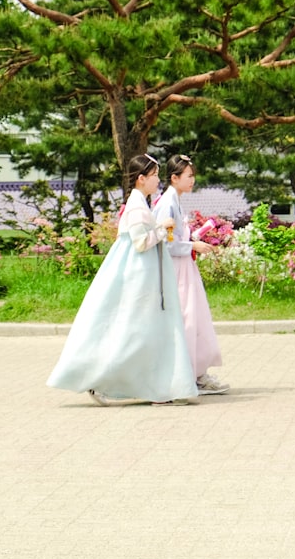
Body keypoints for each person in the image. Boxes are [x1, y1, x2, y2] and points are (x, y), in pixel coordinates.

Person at [46, 154, 198, 406]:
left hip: (145, 275)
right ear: (141, 179)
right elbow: (140, 242)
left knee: (142, 334)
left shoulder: (139, 202)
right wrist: (163, 227)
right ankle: (115, 382)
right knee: (136, 333)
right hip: (140, 277)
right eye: (154, 176)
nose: (157, 181)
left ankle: (155, 386)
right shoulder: (137, 205)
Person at [153, 154, 230, 395]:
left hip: (184, 266)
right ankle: (190, 374)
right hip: (177, 269)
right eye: (188, 176)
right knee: (187, 318)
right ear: (174, 178)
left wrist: (192, 239)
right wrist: (192, 246)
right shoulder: (167, 203)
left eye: (193, 176)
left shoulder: (174, 200)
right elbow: (166, 243)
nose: (192, 180)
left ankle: (196, 372)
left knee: (194, 317)